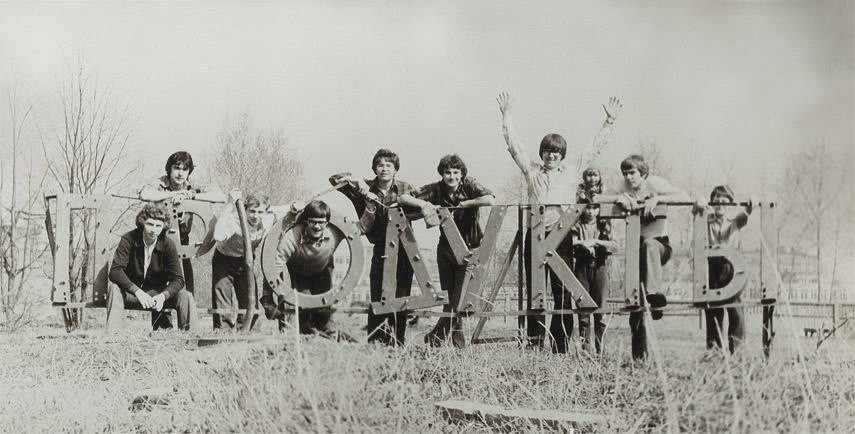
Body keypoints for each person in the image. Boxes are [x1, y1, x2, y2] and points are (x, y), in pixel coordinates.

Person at [496, 91, 621, 351]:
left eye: (556, 152)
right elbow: (514, 145)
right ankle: (533, 343)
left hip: (561, 234)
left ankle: (560, 345)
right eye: (547, 151)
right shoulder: (531, 171)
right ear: (542, 153)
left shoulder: (572, 172)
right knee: (535, 291)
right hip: (536, 233)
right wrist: (506, 114)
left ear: (562, 154)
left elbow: (594, 149)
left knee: (562, 291)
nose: (551, 155)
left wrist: (609, 122)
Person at [596, 154, 690, 360]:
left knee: (649, 245)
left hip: (660, 245)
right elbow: (598, 198)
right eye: (625, 173)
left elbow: (684, 196)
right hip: (636, 251)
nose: (629, 178)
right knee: (635, 302)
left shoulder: (654, 183)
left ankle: (654, 294)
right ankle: (639, 357)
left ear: (643, 173)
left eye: (633, 173)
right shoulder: (624, 186)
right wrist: (619, 198)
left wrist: (658, 198)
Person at [401, 154, 495, 348]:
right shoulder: (437, 188)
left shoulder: (469, 185)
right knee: (450, 300)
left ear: (461, 174)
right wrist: (425, 204)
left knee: (459, 301)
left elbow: (490, 199)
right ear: (442, 174)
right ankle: (459, 347)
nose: (451, 177)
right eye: (447, 173)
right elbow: (404, 196)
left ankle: (435, 337)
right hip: (445, 250)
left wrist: (465, 204)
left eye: (455, 172)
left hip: (470, 248)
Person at [329, 148, 421, 346]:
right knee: (378, 295)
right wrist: (357, 181)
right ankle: (375, 343)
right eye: (380, 165)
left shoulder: (406, 188)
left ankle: (397, 343)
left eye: (389, 165)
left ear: (396, 169)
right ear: (374, 168)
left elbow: (424, 204)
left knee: (401, 297)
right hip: (380, 250)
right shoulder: (365, 187)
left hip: (405, 250)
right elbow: (334, 180)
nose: (384, 169)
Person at [261, 200, 368, 340]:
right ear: (306, 222)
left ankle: (328, 337)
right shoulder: (292, 236)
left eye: (321, 222)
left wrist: (370, 206)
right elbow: (273, 268)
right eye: (313, 222)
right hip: (299, 271)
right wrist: (268, 298)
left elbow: (362, 228)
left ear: (327, 223)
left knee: (324, 309)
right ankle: (307, 339)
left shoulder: (334, 231)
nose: (317, 226)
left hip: (323, 269)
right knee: (304, 307)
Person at [138, 151, 226, 295]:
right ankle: (161, 315)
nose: (180, 173)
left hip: (183, 242)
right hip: (159, 240)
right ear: (169, 169)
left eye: (185, 169)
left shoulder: (192, 185)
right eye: (176, 168)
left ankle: (188, 315)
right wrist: (175, 195)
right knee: (158, 285)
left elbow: (221, 196)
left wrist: (191, 195)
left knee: (186, 285)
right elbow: (145, 194)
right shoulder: (160, 182)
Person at [106, 203, 199, 331]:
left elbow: (178, 279)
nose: (153, 230)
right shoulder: (128, 239)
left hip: (157, 295)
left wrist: (163, 296)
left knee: (186, 296)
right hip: (133, 293)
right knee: (114, 289)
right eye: (150, 224)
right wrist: (137, 291)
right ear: (142, 223)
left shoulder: (168, 244)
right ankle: (113, 335)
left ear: (163, 227)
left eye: (158, 226)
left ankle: (191, 339)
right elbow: (115, 271)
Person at [694, 185, 753, 353]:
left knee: (735, 309)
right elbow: (696, 209)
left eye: (724, 200)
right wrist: (699, 202)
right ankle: (714, 350)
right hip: (712, 266)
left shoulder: (735, 220)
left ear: (730, 203)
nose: (720, 203)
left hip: (731, 267)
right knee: (712, 309)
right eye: (716, 200)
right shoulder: (706, 218)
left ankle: (737, 350)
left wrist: (752, 202)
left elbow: (747, 212)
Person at [210, 193, 275, 330]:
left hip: (246, 262)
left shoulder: (268, 219)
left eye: (260, 212)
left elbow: (285, 209)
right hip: (224, 259)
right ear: (245, 210)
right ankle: (223, 333)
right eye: (251, 211)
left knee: (249, 301)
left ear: (265, 212)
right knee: (222, 299)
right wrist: (229, 204)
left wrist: (294, 206)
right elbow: (218, 235)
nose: (255, 216)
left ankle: (245, 331)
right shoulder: (234, 221)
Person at [571, 181, 617, 354]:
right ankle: (585, 349)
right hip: (582, 266)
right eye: (588, 208)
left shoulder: (604, 225)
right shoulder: (577, 224)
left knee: (601, 308)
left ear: (599, 209)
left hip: (599, 266)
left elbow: (614, 245)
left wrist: (597, 242)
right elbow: (572, 241)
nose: (591, 212)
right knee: (583, 308)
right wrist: (584, 244)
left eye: (594, 208)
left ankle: (600, 348)